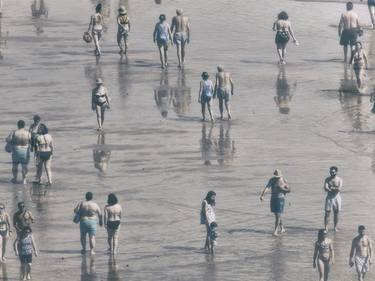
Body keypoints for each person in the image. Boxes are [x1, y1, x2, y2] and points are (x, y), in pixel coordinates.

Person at [260, 169, 291, 236]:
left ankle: (276, 231)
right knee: (277, 214)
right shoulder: (272, 180)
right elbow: (267, 188)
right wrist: (262, 195)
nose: (277, 178)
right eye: (276, 176)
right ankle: (282, 228)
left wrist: (282, 189)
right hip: (273, 198)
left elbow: (289, 190)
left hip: (280, 199)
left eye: (278, 176)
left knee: (277, 215)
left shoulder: (284, 180)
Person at [6, 120, 31, 184]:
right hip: (25, 151)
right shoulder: (28, 133)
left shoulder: (14, 132)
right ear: (24, 125)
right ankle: (24, 179)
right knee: (24, 166)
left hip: (16, 150)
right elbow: (31, 141)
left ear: (18, 125)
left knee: (15, 165)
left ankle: (15, 178)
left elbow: (8, 140)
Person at [324, 166, 342, 232]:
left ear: (336, 172)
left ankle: (335, 227)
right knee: (327, 213)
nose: (332, 173)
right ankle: (326, 228)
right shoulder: (327, 179)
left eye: (333, 172)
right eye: (331, 172)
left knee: (336, 213)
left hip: (337, 198)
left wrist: (331, 188)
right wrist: (334, 188)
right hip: (329, 198)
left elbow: (339, 189)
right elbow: (325, 188)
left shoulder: (339, 179)